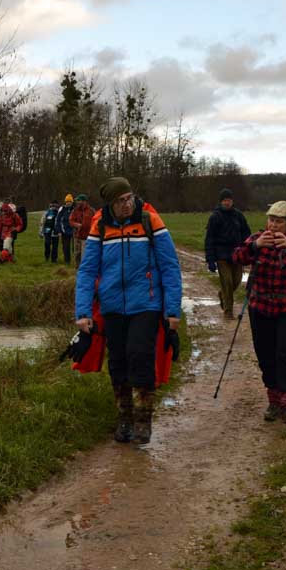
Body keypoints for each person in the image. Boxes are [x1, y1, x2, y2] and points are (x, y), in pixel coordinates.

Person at [75, 177, 183, 445]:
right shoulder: (100, 227)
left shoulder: (149, 221)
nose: (127, 204)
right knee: (118, 361)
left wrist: (172, 311)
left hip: (146, 303)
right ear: (110, 204)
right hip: (112, 306)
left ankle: (143, 421)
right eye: (121, 201)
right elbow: (87, 271)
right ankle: (124, 418)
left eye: (129, 198)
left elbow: (170, 266)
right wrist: (83, 312)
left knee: (140, 355)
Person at [231, 200, 286, 426]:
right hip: (260, 307)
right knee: (266, 353)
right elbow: (237, 257)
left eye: (279, 221)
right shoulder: (258, 238)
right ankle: (274, 399)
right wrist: (255, 246)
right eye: (271, 220)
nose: (273, 225)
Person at [204, 187, 251, 319]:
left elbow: (247, 234)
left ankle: (222, 294)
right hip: (221, 256)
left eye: (229, 200)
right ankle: (228, 311)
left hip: (237, 255)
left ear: (232, 201)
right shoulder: (215, 217)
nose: (227, 202)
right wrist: (210, 260)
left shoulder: (239, 215)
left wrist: (247, 250)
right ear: (220, 202)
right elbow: (209, 239)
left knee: (236, 281)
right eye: (224, 200)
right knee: (227, 283)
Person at [69, 193, 94, 265]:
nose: (77, 202)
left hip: (87, 237)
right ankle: (77, 268)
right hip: (77, 236)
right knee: (77, 253)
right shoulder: (75, 210)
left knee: (84, 254)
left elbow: (95, 221)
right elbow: (71, 221)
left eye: (79, 200)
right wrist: (76, 224)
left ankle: (83, 268)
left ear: (84, 201)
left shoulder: (91, 211)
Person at [56, 194, 75, 265]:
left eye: (70, 202)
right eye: (67, 202)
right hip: (64, 231)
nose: (68, 203)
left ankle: (76, 260)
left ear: (72, 202)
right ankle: (67, 261)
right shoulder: (62, 209)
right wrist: (59, 231)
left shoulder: (75, 209)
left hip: (73, 231)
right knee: (66, 247)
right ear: (65, 202)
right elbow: (58, 220)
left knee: (75, 248)